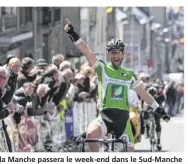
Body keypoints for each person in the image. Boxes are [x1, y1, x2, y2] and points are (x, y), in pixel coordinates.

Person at [64, 19, 170, 152]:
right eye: (112, 52)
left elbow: (144, 94)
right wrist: (72, 33)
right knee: (90, 135)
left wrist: (160, 110)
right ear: (108, 54)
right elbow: (87, 52)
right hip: (105, 116)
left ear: (122, 54)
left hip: (123, 120)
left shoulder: (129, 75)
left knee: (129, 153)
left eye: (118, 52)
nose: (115, 55)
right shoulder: (102, 68)